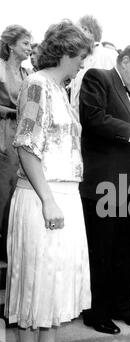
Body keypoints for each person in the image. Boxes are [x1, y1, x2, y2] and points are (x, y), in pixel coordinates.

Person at [4, 20, 92, 342]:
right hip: (43, 195)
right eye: (82, 57)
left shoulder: (61, 88)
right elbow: (25, 146)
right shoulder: (37, 84)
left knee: (58, 281)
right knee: (35, 280)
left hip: (65, 195)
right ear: (69, 53)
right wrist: (48, 200)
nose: (82, 64)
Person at [79, 43, 130, 334]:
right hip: (105, 184)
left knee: (127, 249)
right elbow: (94, 119)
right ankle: (96, 312)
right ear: (124, 61)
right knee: (102, 250)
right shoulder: (97, 78)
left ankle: (123, 306)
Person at [0, 25, 32, 262]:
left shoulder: (27, 75)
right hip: (1, 131)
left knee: (13, 189)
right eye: (25, 44)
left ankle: (6, 246)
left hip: (18, 136)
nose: (29, 48)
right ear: (11, 45)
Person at [70, 14, 118, 119]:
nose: (72, 36)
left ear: (87, 30)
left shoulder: (108, 55)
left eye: (75, 31)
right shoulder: (79, 58)